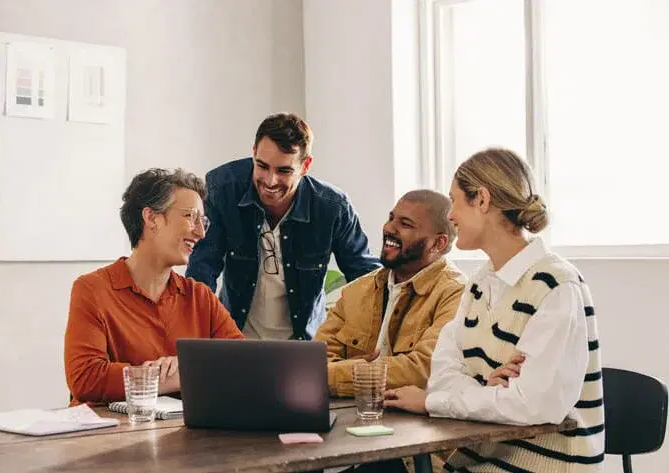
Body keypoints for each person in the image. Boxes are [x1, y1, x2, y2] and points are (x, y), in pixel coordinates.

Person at [385, 148, 604, 472]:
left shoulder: (557, 286)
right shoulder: (479, 284)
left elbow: (534, 405)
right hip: (480, 460)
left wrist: (434, 402)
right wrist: (488, 385)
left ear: (482, 200)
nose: (451, 216)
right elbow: (442, 375)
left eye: (455, 201)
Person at [186, 112, 381, 341]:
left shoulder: (332, 207)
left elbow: (365, 278)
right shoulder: (222, 188)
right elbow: (203, 269)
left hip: (303, 345)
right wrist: (196, 341)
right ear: (253, 153)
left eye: (284, 171)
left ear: (305, 166)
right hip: (236, 340)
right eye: (262, 166)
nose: (270, 181)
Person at [64, 168, 244, 405]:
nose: (200, 233)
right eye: (190, 216)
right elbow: (86, 379)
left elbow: (243, 365)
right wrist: (168, 377)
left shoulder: (200, 297)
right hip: (109, 438)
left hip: (185, 437)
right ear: (151, 218)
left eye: (204, 221)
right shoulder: (92, 290)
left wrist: (185, 369)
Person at [315, 189, 465, 473]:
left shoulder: (456, 294)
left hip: (412, 450)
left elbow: (420, 369)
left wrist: (355, 372)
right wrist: (362, 369)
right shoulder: (357, 290)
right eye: (391, 218)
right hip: (345, 441)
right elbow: (312, 364)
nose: (388, 228)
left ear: (438, 242)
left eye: (405, 224)